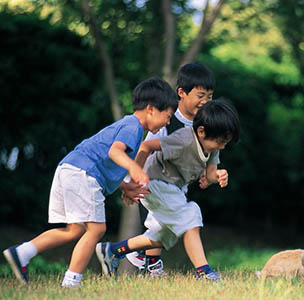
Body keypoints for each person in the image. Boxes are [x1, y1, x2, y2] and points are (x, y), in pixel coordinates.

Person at [2, 77, 178, 287]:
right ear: (151, 109)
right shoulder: (134, 127)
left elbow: (106, 162)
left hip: (70, 168)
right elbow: (114, 152)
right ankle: (71, 282)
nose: (168, 122)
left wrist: (125, 186)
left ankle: (22, 252)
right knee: (96, 230)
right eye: (167, 116)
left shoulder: (127, 124)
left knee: (74, 230)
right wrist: (134, 168)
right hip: (82, 173)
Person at [96, 99, 240, 281]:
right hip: (155, 184)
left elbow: (209, 174)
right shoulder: (183, 140)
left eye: (225, 142)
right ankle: (203, 271)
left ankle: (113, 250)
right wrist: (134, 180)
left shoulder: (213, 147)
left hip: (173, 190)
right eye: (220, 141)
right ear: (202, 131)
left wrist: (217, 175)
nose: (222, 146)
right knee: (191, 214)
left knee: (164, 235)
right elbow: (146, 146)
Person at [120, 63, 215, 277]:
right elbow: (146, 150)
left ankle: (128, 254)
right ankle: (199, 270)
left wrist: (208, 175)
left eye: (209, 96)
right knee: (179, 221)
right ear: (181, 93)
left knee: (162, 231)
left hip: (177, 186)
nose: (205, 101)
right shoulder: (167, 122)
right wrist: (132, 182)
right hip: (154, 184)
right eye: (201, 95)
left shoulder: (205, 123)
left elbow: (199, 156)